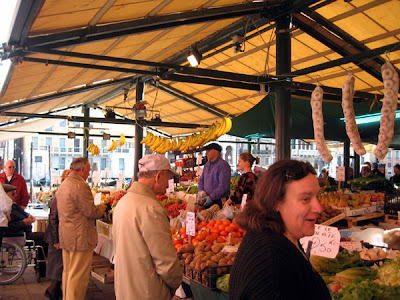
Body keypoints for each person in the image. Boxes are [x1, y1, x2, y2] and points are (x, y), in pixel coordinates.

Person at [229, 160, 331, 300]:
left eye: (317, 197)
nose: (318, 208)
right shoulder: (271, 263)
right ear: (275, 202)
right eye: (306, 199)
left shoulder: (280, 238)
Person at [113, 154, 182, 300]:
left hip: (126, 289)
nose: (168, 183)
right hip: (147, 291)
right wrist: (176, 281)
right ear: (158, 176)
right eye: (168, 178)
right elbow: (166, 262)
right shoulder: (151, 208)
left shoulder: (124, 202)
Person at [57, 158, 106, 300]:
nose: (89, 173)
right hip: (80, 236)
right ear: (82, 169)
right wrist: (102, 207)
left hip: (67, 235)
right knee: (78, 277)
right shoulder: (79, 185)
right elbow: (90, 211)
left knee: (69, 273)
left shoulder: (65, 183)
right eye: (89, 170)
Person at [4, 183, 48, 277]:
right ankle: (43, 267)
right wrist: (24, 222)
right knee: (45, 237)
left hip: (23, 231)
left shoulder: (14, 205)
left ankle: (43, 266)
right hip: (18, 234)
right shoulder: (6, 208)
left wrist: (29, 217)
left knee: (44, 236)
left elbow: (24, 214)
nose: (16, 196)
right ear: (6, 195)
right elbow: (8, 226)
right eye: (13, 194)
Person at [44, 169, 71, 300]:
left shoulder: (63, 193)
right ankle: (52, 291)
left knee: (60, 267)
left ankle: (56, 291)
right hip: (57, 236)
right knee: (58, 267)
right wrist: (55, 239)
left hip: (60, 235)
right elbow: (53, 217)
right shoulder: (60, 194)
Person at [197, 143, 231, 208]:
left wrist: (211, 198)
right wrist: (200, 191)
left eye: (209, 150)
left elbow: (223, 186)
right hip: (206, 199)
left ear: (216, 151)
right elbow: (202, 179)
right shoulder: (207, 165)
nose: (206, 152)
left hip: (218, 201)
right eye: (206, 150)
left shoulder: (223, 165)